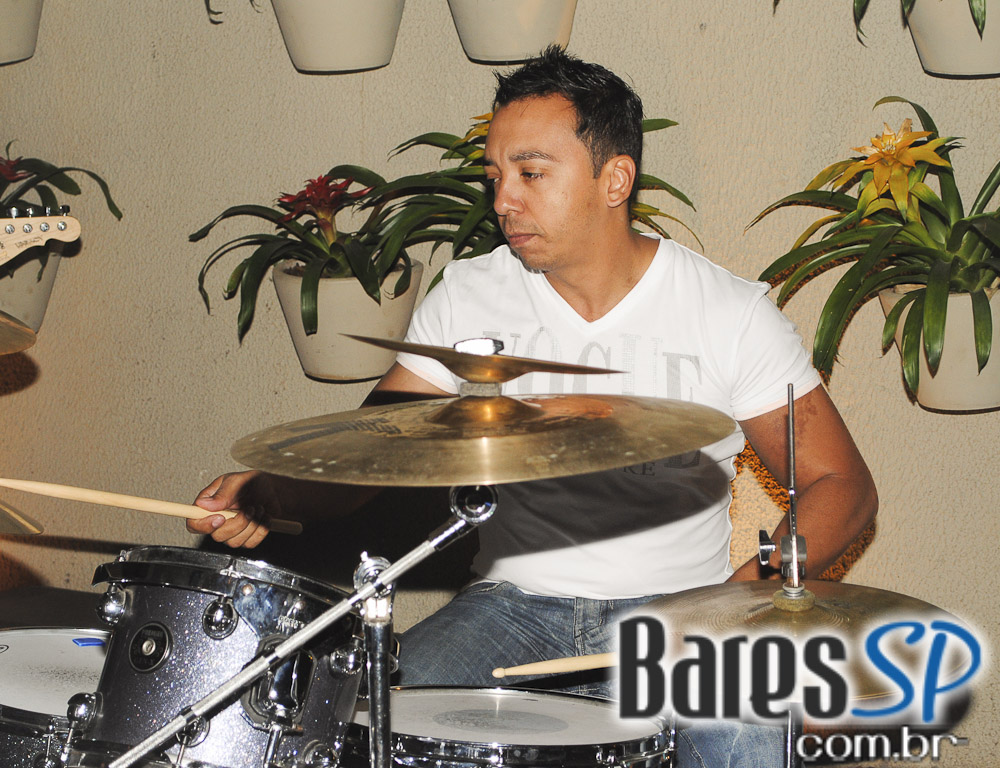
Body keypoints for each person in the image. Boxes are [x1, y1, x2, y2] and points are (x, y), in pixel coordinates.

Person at [189, 47, 878, 767]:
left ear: (615, 179)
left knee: (750, 736)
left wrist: (741, 600)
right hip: (513, 608)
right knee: (374, 721)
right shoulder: (470, 296)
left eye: (531, 173)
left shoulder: (728, 314)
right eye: (494, 177)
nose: (502, 201)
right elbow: (372, 452)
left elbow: (843, 484)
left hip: (679, 608)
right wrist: (270, 492)